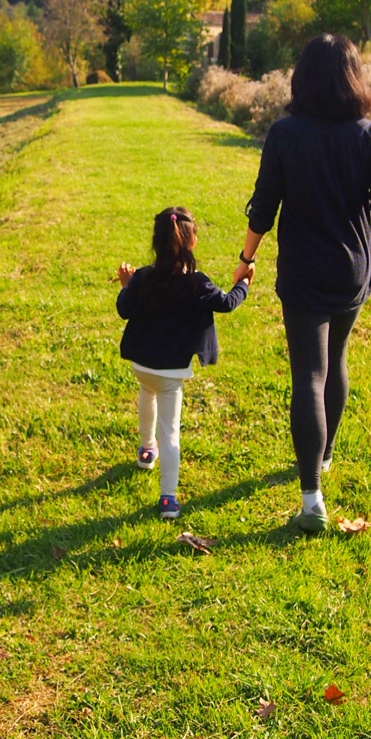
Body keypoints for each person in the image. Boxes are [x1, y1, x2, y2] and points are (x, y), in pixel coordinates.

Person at [233, 34, 371, 535]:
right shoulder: (370, 134)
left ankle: (312, 494)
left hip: (303, 272)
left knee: (309, 376)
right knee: (334, 361)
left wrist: (245, 259)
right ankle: (327, 453)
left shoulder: (284, 133)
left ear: (303, 79)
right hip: (351, 271)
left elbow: (264, 203)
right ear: (353, 78)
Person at [117, 206, 252, 520]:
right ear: (192, 242)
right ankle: (168, 499)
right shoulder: (197, 283)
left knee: (145, 395)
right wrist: (244, 283)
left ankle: (146, 450)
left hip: (142, 365)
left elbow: (124, 309)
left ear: (156, 242)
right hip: (171, 372)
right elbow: (228, 303)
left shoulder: (142, 277)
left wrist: (126, 284)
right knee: (171, 432)